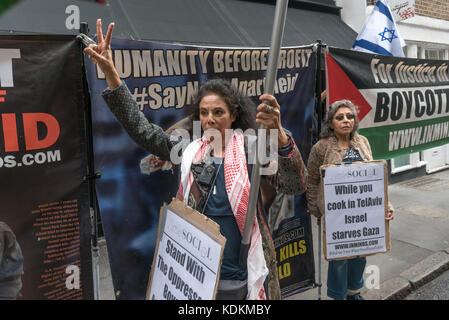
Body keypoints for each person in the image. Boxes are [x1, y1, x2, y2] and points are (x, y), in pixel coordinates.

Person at [84, 19, 308, 300]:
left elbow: (295, 184)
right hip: (198, 267)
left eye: (218, 112)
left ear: (234, 114)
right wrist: (112, 76)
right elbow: (142, 130)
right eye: (204, 113)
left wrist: (279, 135)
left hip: (246, 263)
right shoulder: (188, 149)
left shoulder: (253, 148)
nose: (210, 119)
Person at [306, 99, 394, 300]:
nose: (346, 120)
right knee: (338, 258)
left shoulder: (363, 142)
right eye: (340, 117)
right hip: (336, 214)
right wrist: (315, 209)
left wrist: (385, 206)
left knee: (360, 255)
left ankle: (354, 292)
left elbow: (376, 178)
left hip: (362, 214)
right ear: (330, 123)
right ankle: (339, 296)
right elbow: (311, 180)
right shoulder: (320, 148)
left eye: (350, 116)